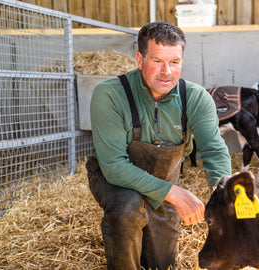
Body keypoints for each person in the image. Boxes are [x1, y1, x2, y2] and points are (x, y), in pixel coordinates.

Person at [86, 21, 232, 270]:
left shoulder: (195, 98)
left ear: (182, 60)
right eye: (157, 61)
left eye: (174, 62)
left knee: (159, 264)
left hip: (163, 178)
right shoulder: (110, 95)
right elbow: (113, 166)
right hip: (115, 181)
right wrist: (175, 193)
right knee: (127, 209)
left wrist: (224, 191)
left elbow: (213, 149)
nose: (167, 71)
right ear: (139, 59)